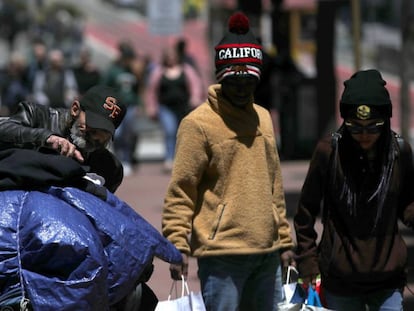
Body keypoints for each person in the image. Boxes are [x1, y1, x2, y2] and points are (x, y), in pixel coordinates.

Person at [161, 12, 295, 311]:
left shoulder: (263, 117)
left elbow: (274, 185)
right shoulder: (197, 124)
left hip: (267, 253)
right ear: (220, 78)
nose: (242, 88)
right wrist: (177, 243)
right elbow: (182, 190)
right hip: (221, 256)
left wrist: (284, 241)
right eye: (234, 81)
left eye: (249, 81)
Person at [293, 69, 414, 311]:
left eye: (373, 127)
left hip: (387, 279)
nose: (364, 136)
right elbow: (305, 213)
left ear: (387, 120)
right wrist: (308, 261)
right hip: (340, 280)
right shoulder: (329, 152)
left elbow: (407, 206)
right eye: (355, 128)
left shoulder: (400, 153)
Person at [0, 84, 126, 193]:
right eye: (92, 126)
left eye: (104, 132)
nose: (95, 136)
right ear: (75, 109)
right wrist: (46, 137)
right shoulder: (37, 117)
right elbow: (4, 128)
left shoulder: (110, 169)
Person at [145, 45, 202, 173]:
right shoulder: (158, 71)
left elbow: (195, 85)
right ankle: (169, 159)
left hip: (184, 108)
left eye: (173, 57)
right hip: (166, 108)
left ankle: (184, 159)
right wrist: (151, 107)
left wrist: (195, 98)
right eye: (168, 57)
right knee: (170, 131)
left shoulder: (186, 69)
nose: (171, 59)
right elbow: (151, 91)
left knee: (184, 133)